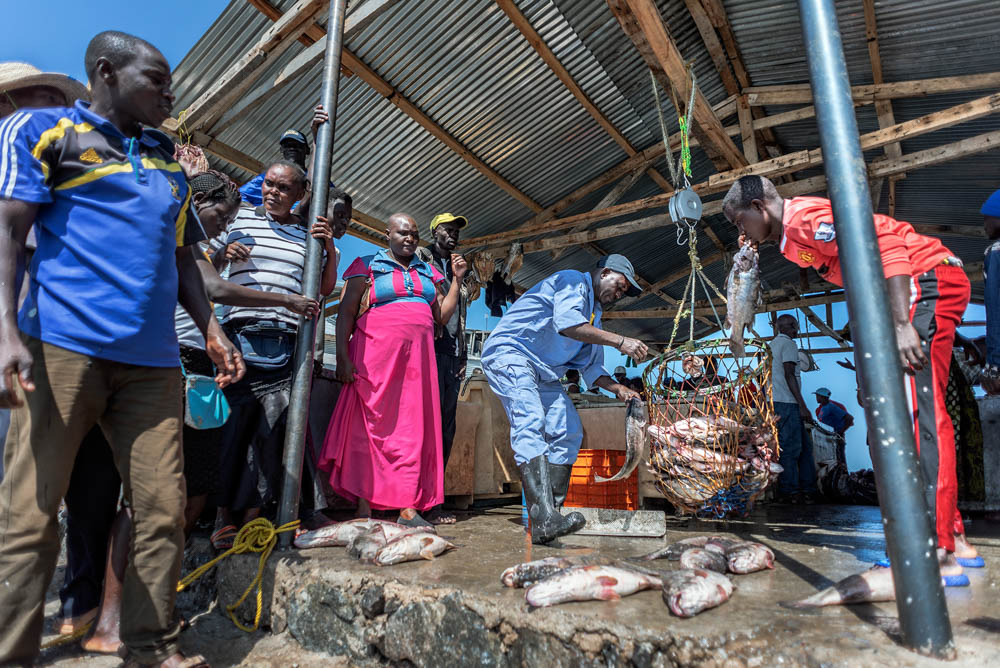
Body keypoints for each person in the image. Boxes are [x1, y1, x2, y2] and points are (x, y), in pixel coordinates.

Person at [0, 31, 244, 667]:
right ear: (106, 73)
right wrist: (4, 333)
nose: (170, 92)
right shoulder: (45, 134)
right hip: (61, 346)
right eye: (157, 80)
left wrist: (211, 328)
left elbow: (185, 256)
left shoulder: (167, 161)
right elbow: (8, 230)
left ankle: (150, 646)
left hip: (153, 363)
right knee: (29, 516)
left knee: (162, 511)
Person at [58, 170, 323, 655]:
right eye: (219, 216)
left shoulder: (182, 243)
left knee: (175, 495)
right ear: (194, 202)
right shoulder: (182, 242)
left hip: (178, 364)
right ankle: (120, 613)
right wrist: (284, 299)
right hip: (164, 365)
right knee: (156, 496)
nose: (220, 228)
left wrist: (216, 338)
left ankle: (125, 606)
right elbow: (215, 290)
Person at [722, 174, 977, 573]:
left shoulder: (802, 219)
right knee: (916, 415)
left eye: (740, 223)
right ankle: (953, 536)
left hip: (921, 279)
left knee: (912, 417)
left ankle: (935, 548)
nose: (742, 232)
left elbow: (886, 245)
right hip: (929, 285)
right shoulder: (791, 243)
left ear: (759, 208)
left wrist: (899, 323)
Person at [211, 161, 346, 546]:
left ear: (299, 194)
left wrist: (330, 248)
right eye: (269, 184)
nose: (272, 192)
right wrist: (224, 255)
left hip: (287, 343)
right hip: (240, 336)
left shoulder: (307, 237)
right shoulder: (239, 221)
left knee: (275, 432)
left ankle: (257, 517)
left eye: (283, 188)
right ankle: (224, 518)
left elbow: (322, 287)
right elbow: (206, 270)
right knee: (235, 428)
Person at [480, 254, 646, 544]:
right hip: (511, 353)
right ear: (605, 272)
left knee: (568, 429)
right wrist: (621, 341)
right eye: (620, 286)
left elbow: (592, 369)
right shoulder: (572, 281)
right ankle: (542, 515)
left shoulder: (594, 314)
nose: (619, 294)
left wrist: (618, 388)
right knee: (531, 418)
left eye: (623, 293)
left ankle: (551, 517)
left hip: (543, 373)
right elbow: (568, 325)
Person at [319, 213, 467, 527]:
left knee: (412, 432)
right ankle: (364, 506)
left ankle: (407, 506)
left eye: (413, 234)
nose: (409, 239)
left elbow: (441, 316)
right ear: (388, 234)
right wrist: (344, 359)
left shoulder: (427, 271)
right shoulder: (367, 265)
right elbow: (345, 313)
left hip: (417, 364)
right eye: (402, 233)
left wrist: (457, 280)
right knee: (370, 428)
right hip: (374, 360)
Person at [0, 62, 89, 482]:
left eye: (60, 101)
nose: (58, 111)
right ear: (6, 106)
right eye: (46, 99)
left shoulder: (52, 185)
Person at [416, 212, 470, 524]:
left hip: (451, 355)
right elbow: (438, 311)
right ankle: (421, 502)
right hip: (429, 350)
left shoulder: (457, 266)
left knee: (446, 430)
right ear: (434, 231)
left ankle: (434, 500)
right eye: (447, 230)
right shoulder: (423, 258)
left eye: (456, 232)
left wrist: (463, 355)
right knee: (428, 428)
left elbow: (459, 317)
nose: (453, 235)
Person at [766, 314, 817, 504]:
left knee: (804, 448)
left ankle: (808, 488)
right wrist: (803, 406)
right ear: (790, 326)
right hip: (787, 403)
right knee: (790, 449)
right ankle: (790, 492)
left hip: (775, 402)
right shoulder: (788, 344)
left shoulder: (771, 346)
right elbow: (789, 374)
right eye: (795, 327)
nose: (797, 330)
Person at [981, 188, 1000, 395]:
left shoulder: (996, 252)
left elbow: (996, 309)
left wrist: (995, 366)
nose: (984, 225)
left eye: (987, 218)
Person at [813, 387, 853, 466]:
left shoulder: (831, 407)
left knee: (838, 460)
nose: (816, 398)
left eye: (817, 396)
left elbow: (849, 418)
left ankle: (843, 476)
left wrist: (839, 433)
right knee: (831, 461)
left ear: (822, 396)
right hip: (827, 438)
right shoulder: (822, 408)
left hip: (834, 437)